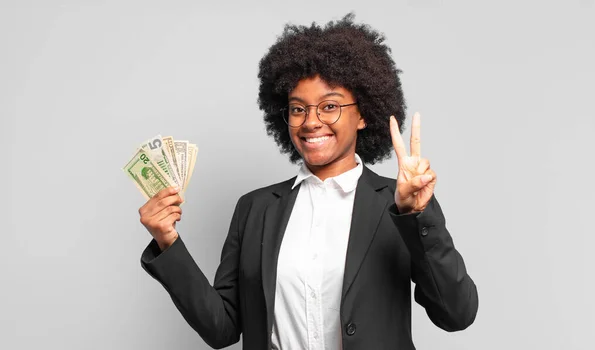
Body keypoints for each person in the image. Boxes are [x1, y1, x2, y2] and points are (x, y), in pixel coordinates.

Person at [138, 13, 478, 350]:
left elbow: (456, 314)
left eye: (329, 106)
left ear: (362, 115)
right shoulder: (255, 209)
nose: (311, 122)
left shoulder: (398, 203)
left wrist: (417, 217)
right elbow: (222, 328)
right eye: (298, 109)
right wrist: (168, 243)